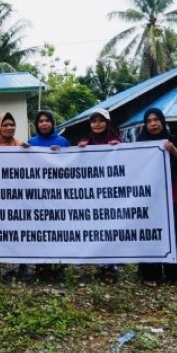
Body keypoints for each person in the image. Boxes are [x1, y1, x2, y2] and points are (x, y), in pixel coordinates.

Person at [136, 108, 177, 287]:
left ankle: (175, 275)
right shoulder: (139, 143)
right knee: (149, 235)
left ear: (162, 121)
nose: (153, 124)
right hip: (147, 198)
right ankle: (150, 275)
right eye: (149, 121)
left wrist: (173, 150)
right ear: (145, 124)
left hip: (170, 197)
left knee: (172, 235)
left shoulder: (174, 140)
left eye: (156, 120)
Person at [77, 108, 123, 283]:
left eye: (101, 120)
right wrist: (80, 150)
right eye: (94, 121)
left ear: (108, 122)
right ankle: (101, 265)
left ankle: (112, 266)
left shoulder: (117, 140)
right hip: (92, 196)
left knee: (111, 227)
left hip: (112, 195)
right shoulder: (85, 142)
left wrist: (118, 149)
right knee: (97, 229)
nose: (97, 124)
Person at [0, 112, 29, 279]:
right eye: (5, 125)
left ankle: (23, 266)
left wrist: (30, 152)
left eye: (12, 124)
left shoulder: (22, 146)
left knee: (22, 230)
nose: (9, 128)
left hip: (19, 197)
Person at [28, 109, 69, 279]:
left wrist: (60, 154)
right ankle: (41, 265)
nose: (44, 124)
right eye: (41, 121)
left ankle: (59, 264)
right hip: (37, 195)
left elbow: (72, 165)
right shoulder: (31, 142)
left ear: (52, 123)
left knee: (58, 230)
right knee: (40, 230)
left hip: (58, 195)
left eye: (47, 120)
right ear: (37, 124)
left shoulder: (63, 141)